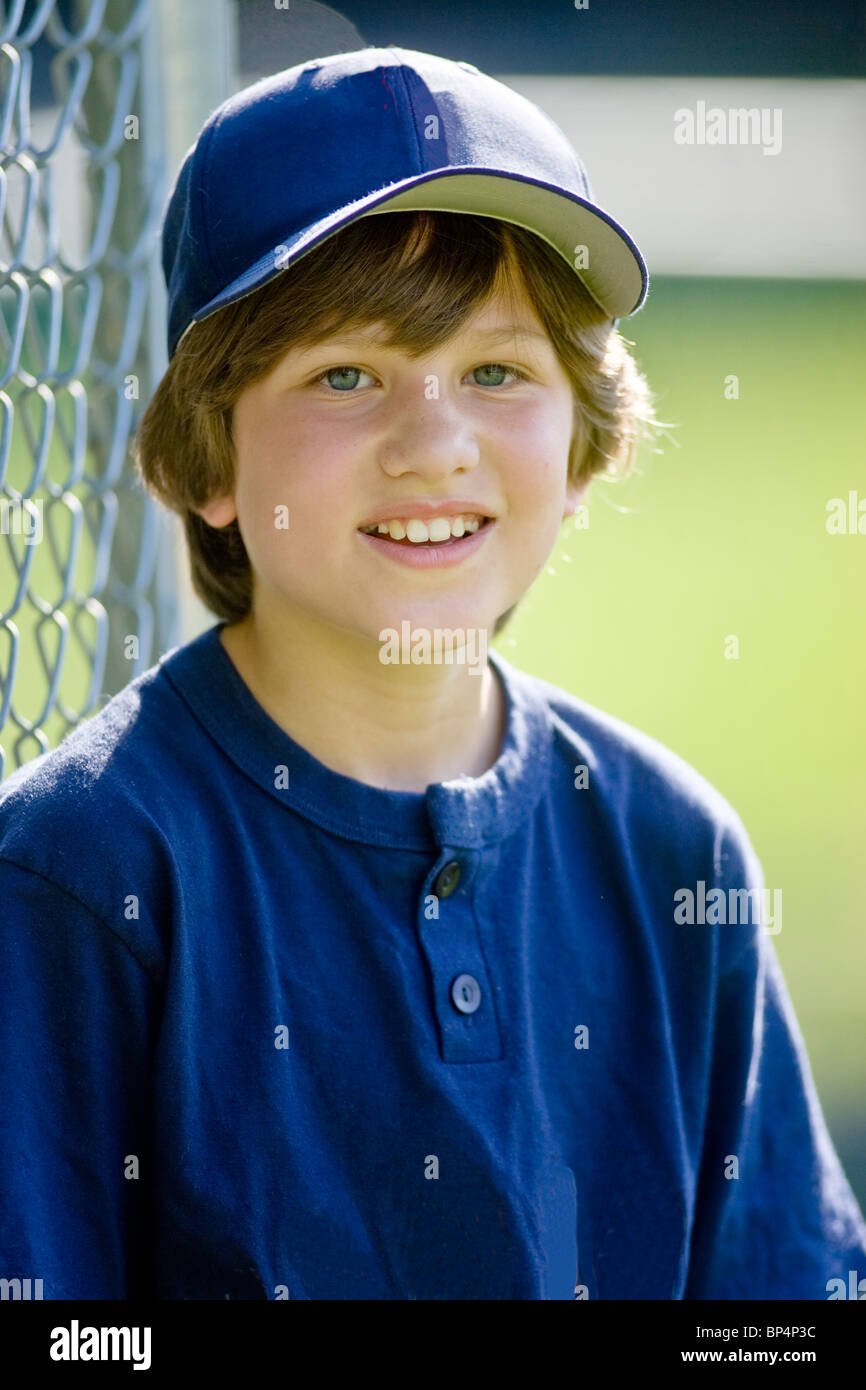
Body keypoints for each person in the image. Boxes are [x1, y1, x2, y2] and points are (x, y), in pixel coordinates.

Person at [1, 46, 864, 1300]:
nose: (434, 442)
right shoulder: (90, 873)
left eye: (496, 372)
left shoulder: (672, 850)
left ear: (581, 443)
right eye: (345, 374)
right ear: (208, 463)